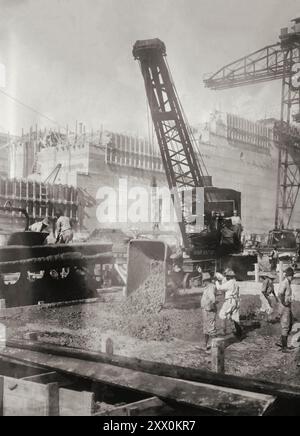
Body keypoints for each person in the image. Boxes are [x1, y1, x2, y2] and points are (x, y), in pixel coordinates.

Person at [216, 268, 243, 340]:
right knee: (235, 317)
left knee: (222, 315)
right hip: (236, 301)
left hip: (230, 301)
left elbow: (219, 288)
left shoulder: (229, 283)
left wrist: (216, 282)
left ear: (229, 276)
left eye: (227, 276)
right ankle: (239, 333)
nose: (226, 277)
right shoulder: (235, 283)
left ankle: (223, 332)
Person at [276, 267, 295, 353]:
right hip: (284, 307)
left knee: (290, 323)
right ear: (290, 276)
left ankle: (282, 342)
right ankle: (284, 347)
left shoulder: (288, 282)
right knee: (285, 326)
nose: (292, 277)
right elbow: (280, 294)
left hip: (287, 307)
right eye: (292, 276)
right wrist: (284, 303)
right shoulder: (285, 283)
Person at [200, 272, 217, 351]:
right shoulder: (208, 286)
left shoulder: (210, 287)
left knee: (211, 329)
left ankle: (215, 348)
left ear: (205, 281)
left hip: (209, 310)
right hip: (206, 310)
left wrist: (209, 308)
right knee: (206, 328)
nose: (203, 282)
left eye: (203, 281)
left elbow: (212, 299)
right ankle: (205, 345)